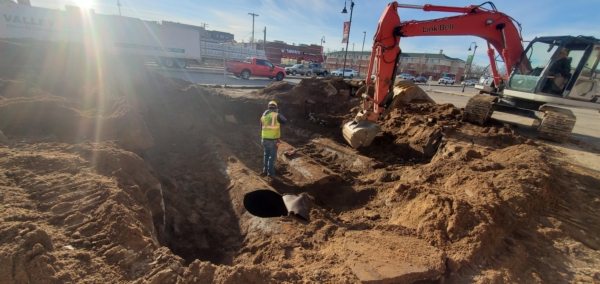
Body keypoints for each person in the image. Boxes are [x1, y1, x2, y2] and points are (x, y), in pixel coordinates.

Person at [261, 101, 287, 178]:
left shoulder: (263, 116)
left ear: (268, 106)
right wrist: (280, 113)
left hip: (264, 139)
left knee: (266, 155)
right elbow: (285, 121)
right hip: (272, 140)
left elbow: (261, 128)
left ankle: (265, 170)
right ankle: (271, 174)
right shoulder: (276, 115)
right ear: (275, 107)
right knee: (272, 157)